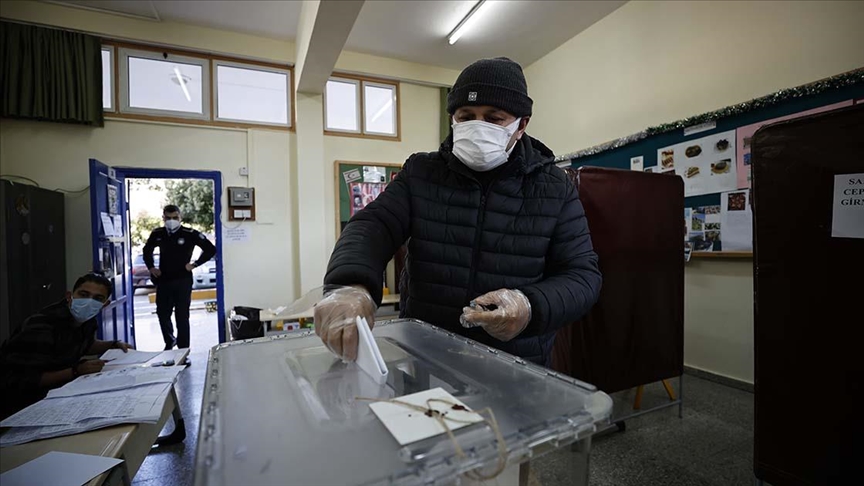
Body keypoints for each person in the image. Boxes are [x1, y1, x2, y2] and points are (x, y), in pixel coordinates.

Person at [315, 57, 602, 367]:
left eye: (494, 119)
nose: (478, 127)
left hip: (515, 363)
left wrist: (529, 306)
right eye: (466, 117)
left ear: (522, 125)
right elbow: (374, 224)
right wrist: (351, 286)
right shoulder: (422, 173)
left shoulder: (554, 188)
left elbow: (582, 276)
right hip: (426, 355)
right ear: (452, 118)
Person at [0, 273, 132, 419]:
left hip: (57, 396)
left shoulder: (87, 320)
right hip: (18, 404)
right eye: (84, 294)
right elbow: (25, 379)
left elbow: (85, 344)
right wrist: (75, 371)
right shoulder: (41, 326)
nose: (89, 302)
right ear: (69, 296)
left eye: (98, 298)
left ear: (105, 304)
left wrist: (113, 344)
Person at [143, 204, 216, 351]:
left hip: (183, 280)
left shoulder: (189, 233)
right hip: (164, 280)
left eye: (175, 217)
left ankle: (183, 348)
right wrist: (151, 267)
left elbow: (210, 249)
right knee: (163, 314)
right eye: (168, 218)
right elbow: (147, 250)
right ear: (163, 218)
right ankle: (169, 341)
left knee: (182, 316)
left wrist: (195, 264)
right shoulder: (158, 233)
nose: (172, 220)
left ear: (180, 217)